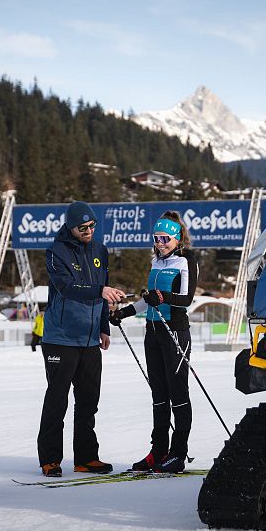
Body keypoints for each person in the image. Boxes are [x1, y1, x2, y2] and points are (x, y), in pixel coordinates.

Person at [37, 201, 126, 477]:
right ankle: (50, 458)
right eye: (82, 227)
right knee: (57, 399)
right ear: (70, 227)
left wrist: (103, 327)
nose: (88, 231)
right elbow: (66, 287)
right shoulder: (56, 251)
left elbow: (103, 292)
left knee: (88, 401)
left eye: (92, 226)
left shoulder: (100, 250)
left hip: (89, 340)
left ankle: (86, 457)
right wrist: (100, 290)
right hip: (61, 338)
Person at [110, 211, 199, 473]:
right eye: (156, 238)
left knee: (178, 393)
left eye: (165, 238)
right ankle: (158, 450)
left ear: (177, 237)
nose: (160, 243)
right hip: (153, 332)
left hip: (175, 332)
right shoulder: (156, 262)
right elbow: (148, 299)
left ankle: (178, 452)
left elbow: (185, 299)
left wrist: (161, 296)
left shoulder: (186, 260)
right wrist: (124, 313)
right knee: (158, 395)